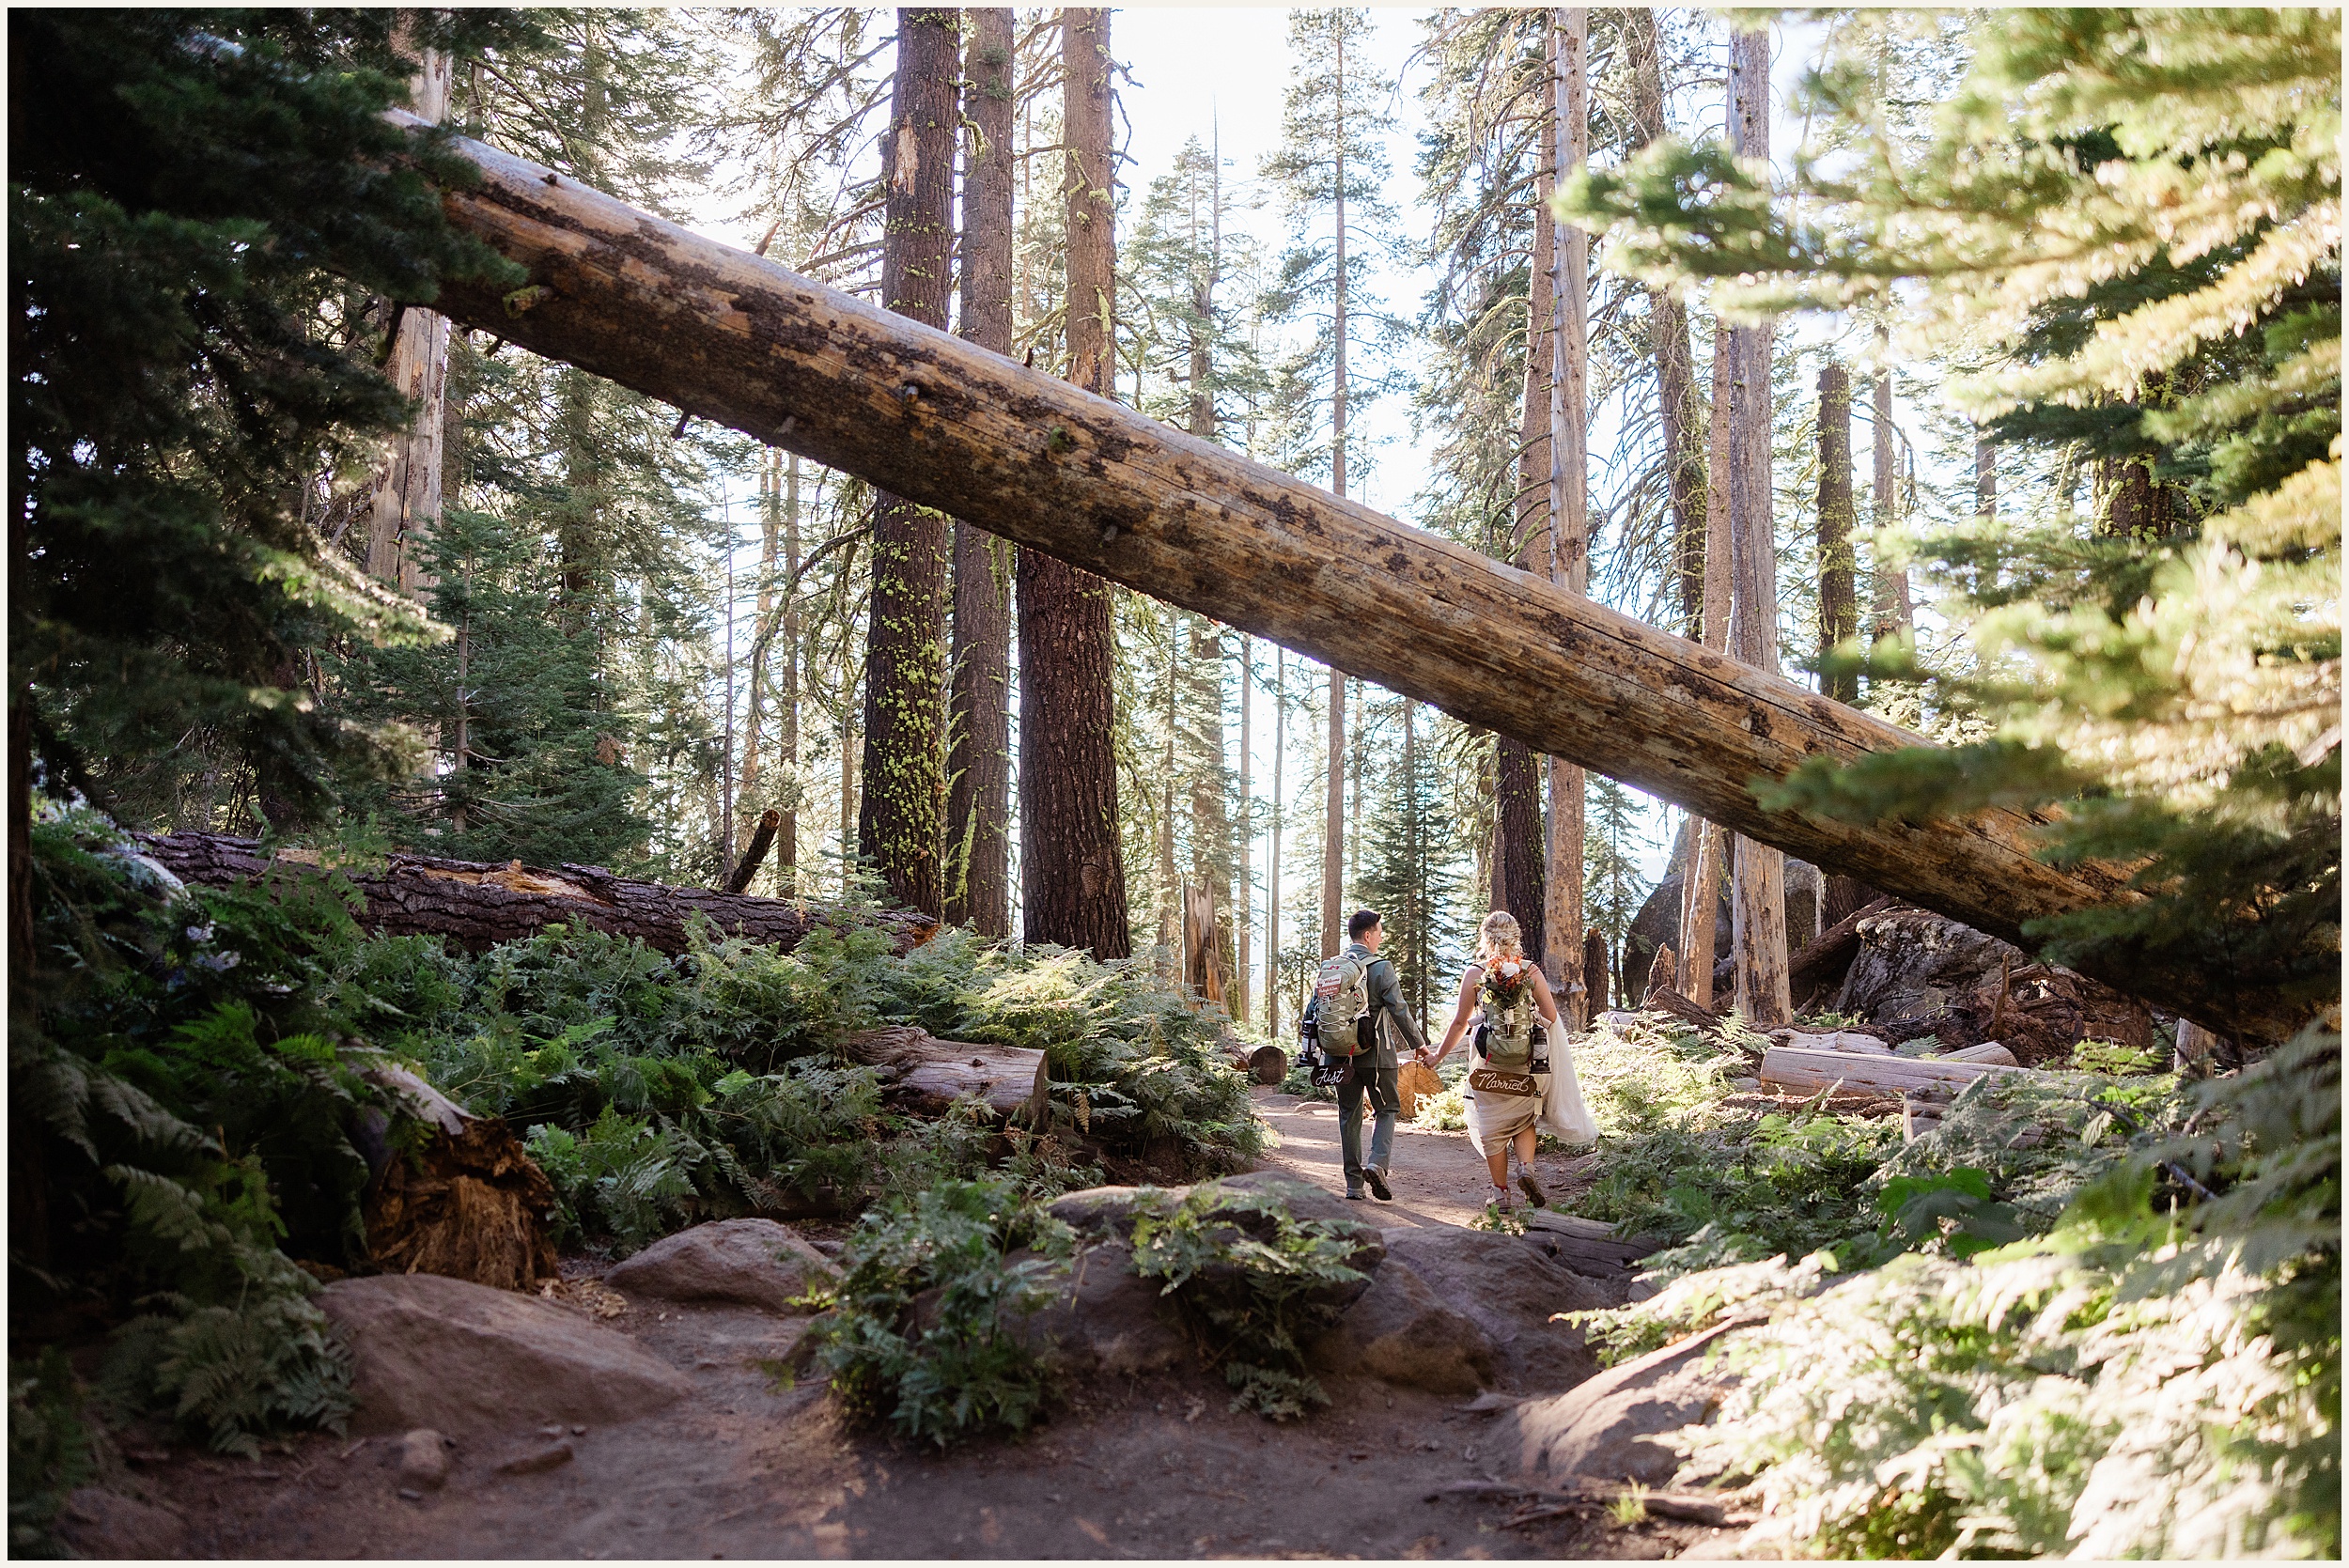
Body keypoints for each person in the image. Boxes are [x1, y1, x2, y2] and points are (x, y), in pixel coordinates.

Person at [1420, 910, 1565, 1212]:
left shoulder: (1475, 973)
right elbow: (1551, 1017)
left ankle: (1500, 1195)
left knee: (1491, 1126)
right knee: (1525, 1118)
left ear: (1485, 938)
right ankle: (1526, 1168)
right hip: (1528, 1062)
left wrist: (1437, 1057)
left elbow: (1460, 1022)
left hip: (1488, 1065)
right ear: (1516, 937)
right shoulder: (1530, 972)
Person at [1304, 908, 1428, 1202]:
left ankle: (1353, 1186)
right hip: (1376, 1055)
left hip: (1338, 1057)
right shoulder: (1381, 967)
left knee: (1349, 1114)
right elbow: (1399, 1009)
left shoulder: (1331, 968)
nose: (1381, 938)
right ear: (1369, 935)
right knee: (1386, 1109)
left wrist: (1311, 1052)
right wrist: (1418, 1044)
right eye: (1379, 933)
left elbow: (1313, 1013)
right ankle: (1376, 1164)